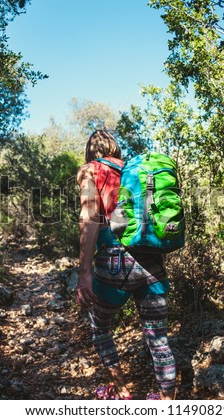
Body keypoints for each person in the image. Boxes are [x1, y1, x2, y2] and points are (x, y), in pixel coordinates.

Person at [75, 130, 177, 400]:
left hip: (114, 262)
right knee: (158, 338)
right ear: (115, 148)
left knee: (100, 327)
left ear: (90, 151)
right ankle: (167, 402)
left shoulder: (91, 171)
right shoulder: (136, 168)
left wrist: (84, 272)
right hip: (151, 262)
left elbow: (90, 220)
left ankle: (122, 390)